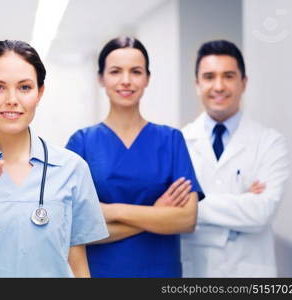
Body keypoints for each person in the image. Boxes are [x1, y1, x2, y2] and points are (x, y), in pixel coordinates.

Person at [0, 40, 108, 278]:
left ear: (39, 93)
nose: (12, 99)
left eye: (24, 87)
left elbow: (78, 267)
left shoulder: (71, 168)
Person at [66, 37, 202, 278]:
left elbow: (186, 219)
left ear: (147, 78)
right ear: (101, 78)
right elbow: (74, 227)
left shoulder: (171, 140)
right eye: (116, 71)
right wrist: (157, 213)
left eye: (136, 71)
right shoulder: (82, 143)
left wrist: (110, 211)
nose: (126, 80)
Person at [180, 40, 290, 277]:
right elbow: (169, 213)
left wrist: (191, 205)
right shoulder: (179, 142)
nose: (219, 86)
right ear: (197, 84)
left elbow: (262, 212)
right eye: (209, 77)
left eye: (228, 76)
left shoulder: (270, 142)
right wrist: (241, 201)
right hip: (195, 271)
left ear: (244, 83)